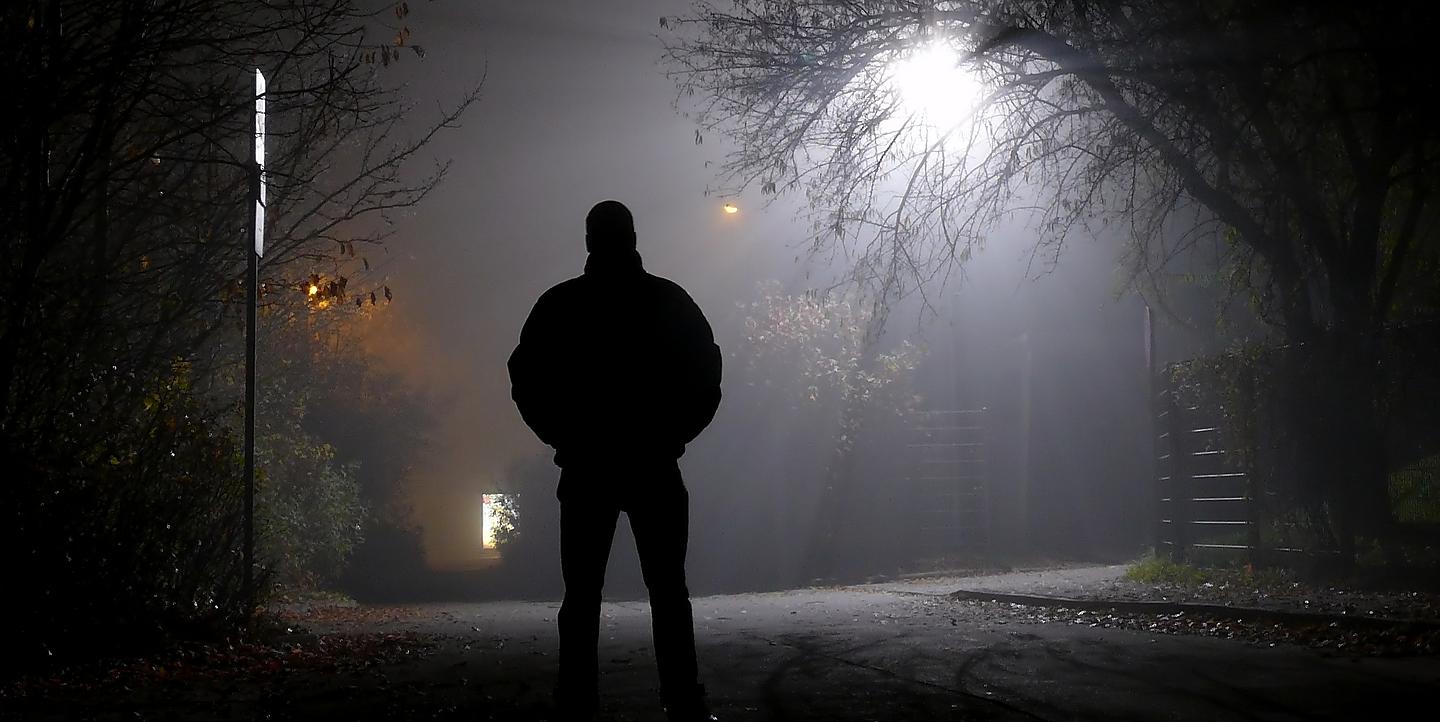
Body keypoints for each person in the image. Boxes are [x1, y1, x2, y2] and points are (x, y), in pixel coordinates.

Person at [508, 200, 722, 721]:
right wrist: (672, 437)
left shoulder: (559, 306)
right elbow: (705, 378)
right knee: (669, 592)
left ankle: (578, 701)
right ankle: (681, 698)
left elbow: (526, 379)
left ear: (588, 241)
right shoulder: (669, 302)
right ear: (632, 237)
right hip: (653, 465)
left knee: (581, 596)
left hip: (587, 468)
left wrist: (564, 439)